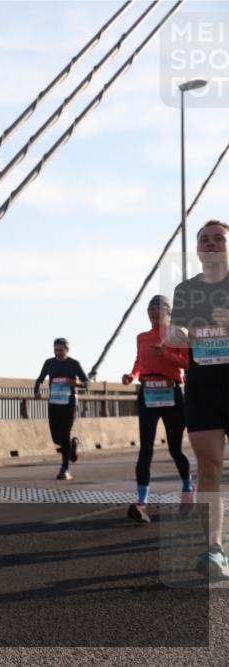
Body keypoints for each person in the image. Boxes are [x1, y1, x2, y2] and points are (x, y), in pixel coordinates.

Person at [167, 219, 229, 581]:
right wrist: (179, 333)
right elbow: (183, 329)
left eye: (218, 238)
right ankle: (215, 548)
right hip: (204, 388)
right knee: (209, 470)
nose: (210, 243)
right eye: (204, 239)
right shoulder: (186, 290)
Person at [121, 294, 192, 523]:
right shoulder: (141, 337)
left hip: (171, 393)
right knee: (146, 450)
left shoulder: (177, 334)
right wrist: (132, 376)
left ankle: (188, 487)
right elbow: (139, 361)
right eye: (151, 309)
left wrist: (167, 354)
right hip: (148, 393)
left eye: (159, 308)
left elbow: (189, 363)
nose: (154, 312)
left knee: (174, 449)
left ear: (168, 312)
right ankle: (141, 503)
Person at [34, 338, 89, 480]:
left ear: (67, 350)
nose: (58, 353)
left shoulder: (74, 364)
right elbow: (39, 379)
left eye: (61, 350)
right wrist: (37, 391)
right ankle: (72, 444)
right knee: (56, 437)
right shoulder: (49, 363)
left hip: (69, 405)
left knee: (64, 433)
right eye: (56, 350)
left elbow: (87, 383)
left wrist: (76, 383)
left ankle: (65, 469)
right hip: (54, 404)